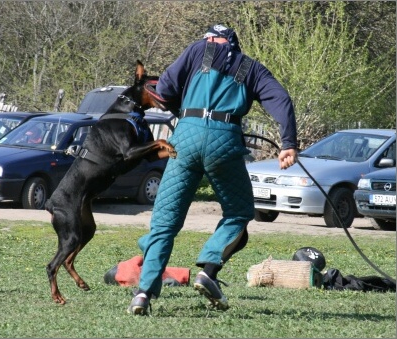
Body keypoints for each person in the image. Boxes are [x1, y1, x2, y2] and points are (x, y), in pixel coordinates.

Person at [127, 24, 298, 315]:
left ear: (210, 39)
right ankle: (208, 270)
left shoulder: (197, 50)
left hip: (186, 138)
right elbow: (280, 99)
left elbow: (165, 89)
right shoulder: (252, 68)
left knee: (164, 221)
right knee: (239, 212)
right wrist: (288, 143)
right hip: (225, 140)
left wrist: (186, 107)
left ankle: (143, 293)